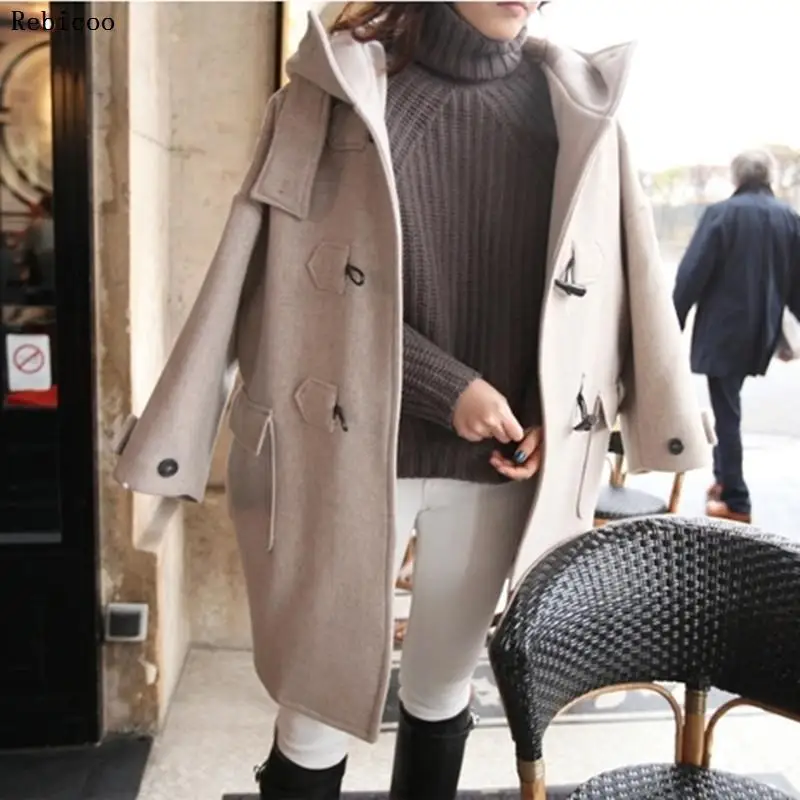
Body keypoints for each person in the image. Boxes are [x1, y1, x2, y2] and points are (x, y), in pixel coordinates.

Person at [114, 3, 712, 798]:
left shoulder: (581, 110)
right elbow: (277, 294)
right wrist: (445, 386)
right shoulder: (333, 95)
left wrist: (557, 409)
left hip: (503, 467)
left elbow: (611, 295)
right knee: (313, 710)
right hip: (345, 453)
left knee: (442, 689)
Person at [673, 149, 800, 525]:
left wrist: (672, 324)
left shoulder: (722, 215)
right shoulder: (789, 219)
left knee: (726, 412)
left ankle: (736, 499)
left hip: (724, 333)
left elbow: (691, 275)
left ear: (737, 177)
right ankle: (722, 478)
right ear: (769, 177)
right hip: (761, 334)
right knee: (727, 405)